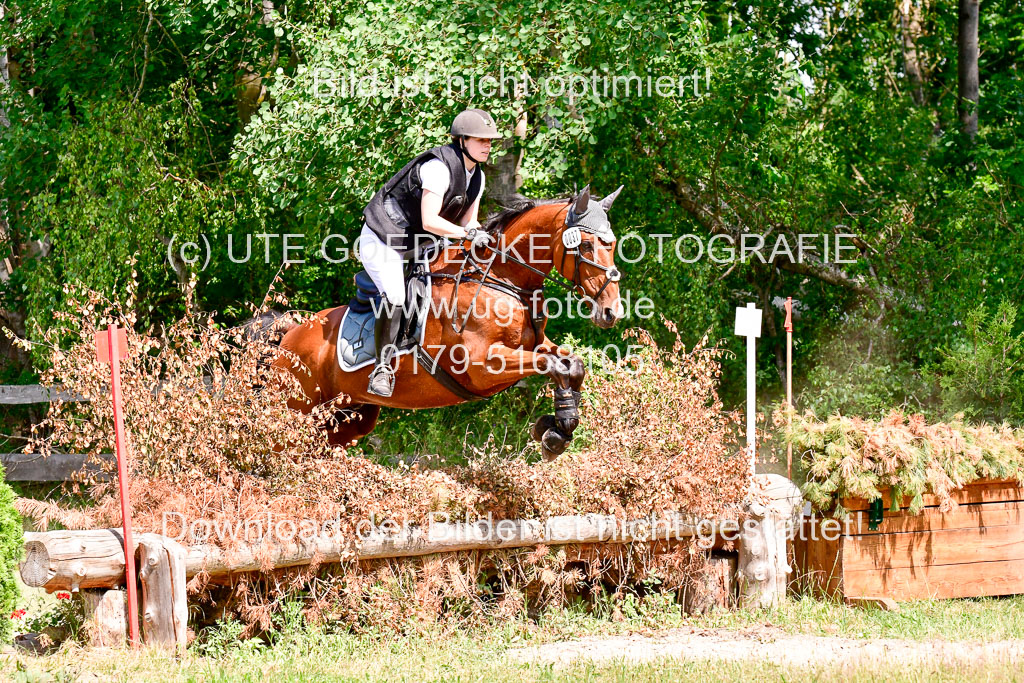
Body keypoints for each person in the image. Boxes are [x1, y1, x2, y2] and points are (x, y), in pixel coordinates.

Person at [358, 108, 501, 397]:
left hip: (418, 244)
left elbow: (467, 222)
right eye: (480, 140)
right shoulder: (438, 168)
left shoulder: (477, 176)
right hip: (383, 238)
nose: (487, 145)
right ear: (461, 141)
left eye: (490, 141)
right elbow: (430, 221)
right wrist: (466, 234)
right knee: (397, 296)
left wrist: (480, 235)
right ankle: (382, 368)